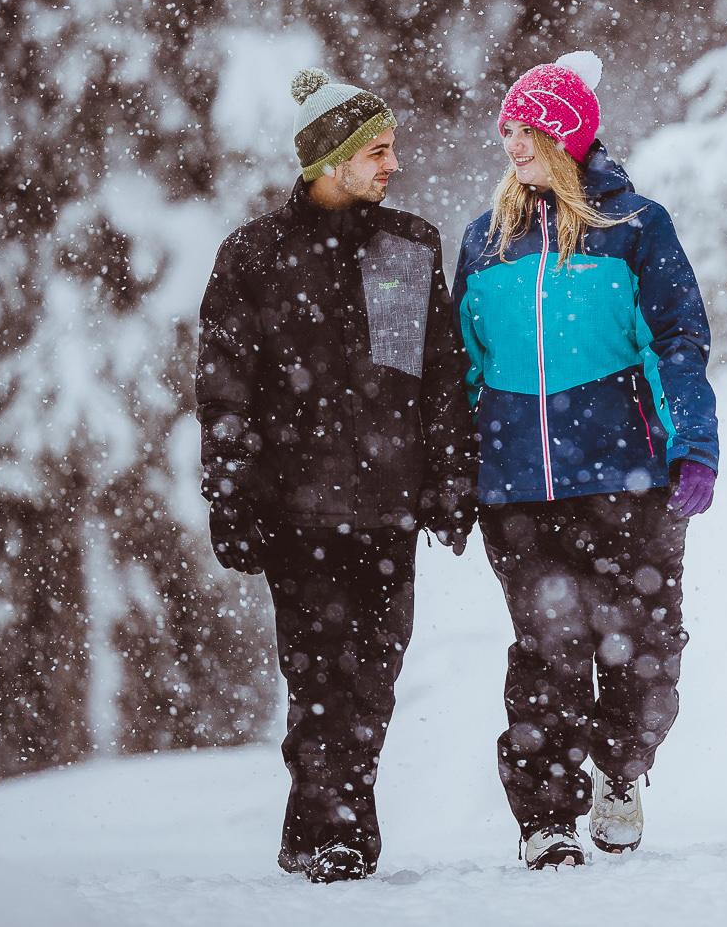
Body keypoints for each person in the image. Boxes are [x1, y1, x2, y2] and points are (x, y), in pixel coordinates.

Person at [197, 69, 478, 883]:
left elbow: (438, 374)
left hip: (389, 510)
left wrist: (450, 478)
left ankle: (313, 823)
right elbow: (223, 389)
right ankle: (340, 831)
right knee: (320, 676)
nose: (394, 163)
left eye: (393, 148)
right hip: (296, 513)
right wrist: (230, 495)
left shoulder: (410, 246)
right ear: (331, 158)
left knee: (375, 679)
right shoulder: (251, 256)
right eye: (378, 150)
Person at [452, 51, 719, 870]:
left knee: (644, 652)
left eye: (528, 131)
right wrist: (454, 470)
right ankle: (546, 817)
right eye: (508, 129)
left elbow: (679, 340)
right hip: (517, 489)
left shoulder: (634, 227)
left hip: (626, 478)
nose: (513, 145)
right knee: (548, 651)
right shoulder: (485, 241)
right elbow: (461, 367)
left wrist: (694, 443)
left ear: (567, 136)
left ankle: (621, 766)